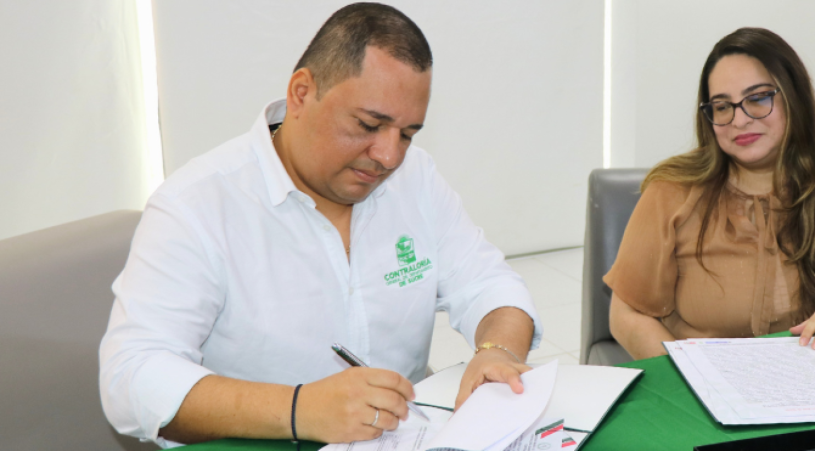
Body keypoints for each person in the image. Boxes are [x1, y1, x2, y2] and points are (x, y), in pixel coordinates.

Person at [99, 3, 542, 447]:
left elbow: (489, 284)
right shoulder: (197, 205)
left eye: (407, 134)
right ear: (301, 93)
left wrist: (498, 351)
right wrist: (298, 408)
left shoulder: (416, 179)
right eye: (368, 124)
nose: (389, 156)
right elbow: (130, 377)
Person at [605, 28, 815, 360]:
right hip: (702, 381)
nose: (739, 120)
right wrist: (684, 378)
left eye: (757, 99)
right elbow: (627, 314)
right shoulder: (672, 190)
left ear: (794, 96)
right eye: (722, 107)